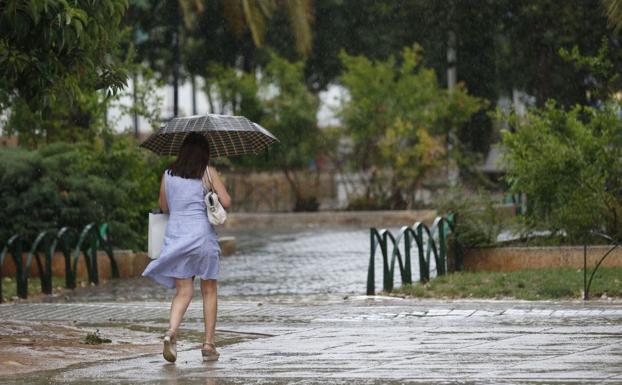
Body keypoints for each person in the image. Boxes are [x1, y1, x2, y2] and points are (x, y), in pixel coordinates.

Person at [142, 132, 232, 363]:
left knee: (183, 291)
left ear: (182, 151)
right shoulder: (207, 173)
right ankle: (208, 345)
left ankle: (171, 332)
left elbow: (164, 206)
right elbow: (227, 202)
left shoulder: (168, 174)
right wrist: (210, 191)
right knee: (209, 290)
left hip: (177, 237)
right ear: (205, 152)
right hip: (202, 238)